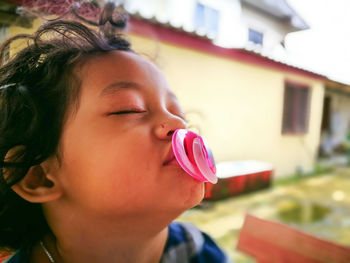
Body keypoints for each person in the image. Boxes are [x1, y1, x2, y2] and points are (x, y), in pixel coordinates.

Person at [0, 3, 229, 263]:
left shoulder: (200, 252)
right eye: (129, 109)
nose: (178, 124)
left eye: (178, 112)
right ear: (38, 176)